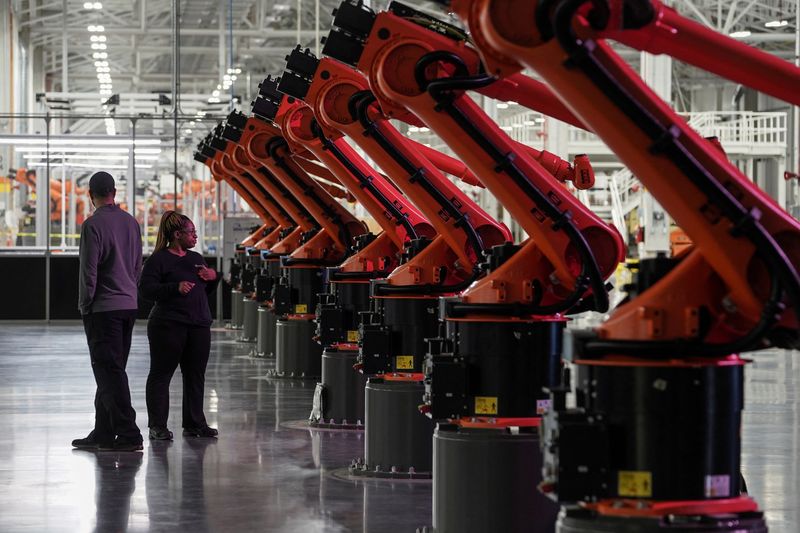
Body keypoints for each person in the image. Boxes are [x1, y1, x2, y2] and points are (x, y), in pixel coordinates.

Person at [73, 171, 144, 452]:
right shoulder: (131, 223)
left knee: (108, 371)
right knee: (112, 370)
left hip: (103, 308)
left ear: (90, 195)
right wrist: (129, 290)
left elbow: (88, 271)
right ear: (115, 192)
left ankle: (128, 433)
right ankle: (103, 431)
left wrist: (85, 303)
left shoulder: (92, 225)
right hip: (128, 305)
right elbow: (138, 264)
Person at [139, 211, 220, 440]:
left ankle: (195, 423)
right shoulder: (158, 260)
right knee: (161, 374)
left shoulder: (195, 258)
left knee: (195, 375)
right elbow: (145, 290)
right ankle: (158, 426)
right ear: (177, 234)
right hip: (168, 325)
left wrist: (212, 277)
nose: (195, 236)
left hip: (198, 324)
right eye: (191, 232)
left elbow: (204, 291)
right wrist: (174, 288)